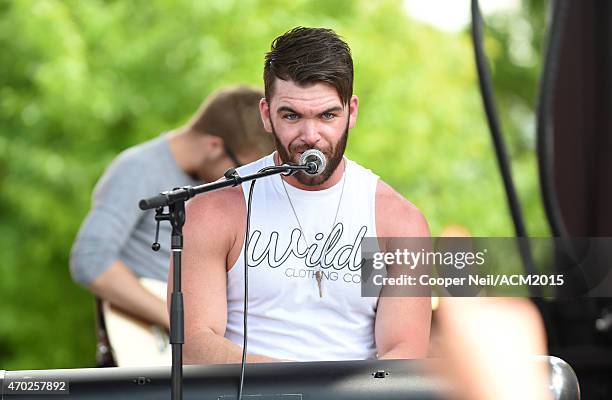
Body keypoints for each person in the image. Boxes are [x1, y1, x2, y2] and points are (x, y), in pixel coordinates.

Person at [179, 27, 431, 364]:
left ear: (351, 112)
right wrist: (294, 388)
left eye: (327, 115)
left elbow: (403, 353)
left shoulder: (394, 222)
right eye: (292, 116)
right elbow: (195, 343)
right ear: (267, 115)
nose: (310, 136)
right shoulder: (217, 210)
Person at [70, 85, 275, 333]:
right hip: (153, 343)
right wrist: (178, 324)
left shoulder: (214, 184)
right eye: (241, 169)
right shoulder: (139, 168)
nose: (243, 179)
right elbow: (91, 260)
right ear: (214, 146)